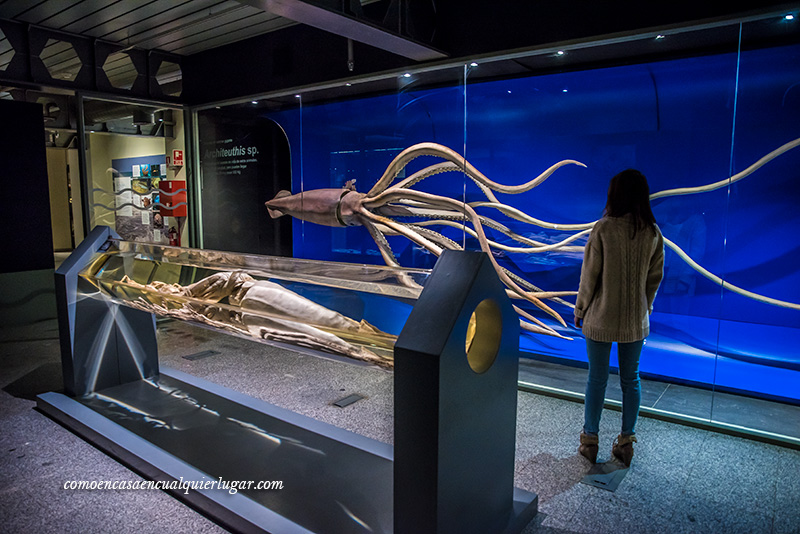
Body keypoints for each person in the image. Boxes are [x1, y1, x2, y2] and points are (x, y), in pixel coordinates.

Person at [573, 169, 664, 467]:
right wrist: (644, 308)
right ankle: (626, 441)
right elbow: (655, 278)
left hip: (600, 317)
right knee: (631, 379)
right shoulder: (653, 233)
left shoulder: (603, 229)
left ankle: (590, 441)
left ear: (615, 195)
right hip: (635, 322)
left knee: (596, 379)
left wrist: (580, 309)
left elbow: (589, 277)